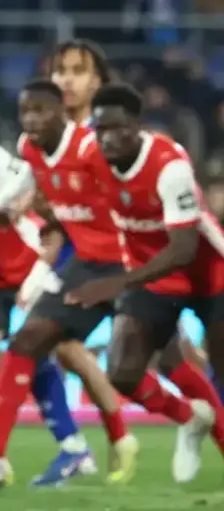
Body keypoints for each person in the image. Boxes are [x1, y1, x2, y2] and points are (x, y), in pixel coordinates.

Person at [0, 81, 222, 490]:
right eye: (27, 112)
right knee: (27, 342)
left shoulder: (96, 149)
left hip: (129, 262)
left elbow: (118, 198)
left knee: (169, 363)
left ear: (64, 113)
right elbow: (46, 188)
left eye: (43, 110)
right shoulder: (30, 147)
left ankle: (201, 424)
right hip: (87, 264)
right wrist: (21, 207)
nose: (33, 120)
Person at [67, 84, 224, 482]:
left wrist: (116, 282)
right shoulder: (91, 157)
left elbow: (184, 249)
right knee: (122, 373)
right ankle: (190, 419)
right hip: (152, 278)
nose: (108, 138)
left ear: (137, 126)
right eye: (100, 129)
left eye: (117, 129)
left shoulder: (170, 164)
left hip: (209, 276)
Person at [0, 137, 113, 486]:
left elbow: (32, 206)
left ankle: (111, 435)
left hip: (27, 264)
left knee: (57, 351)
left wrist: (37, 274)